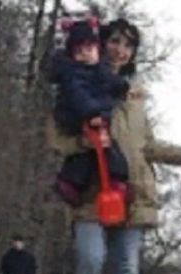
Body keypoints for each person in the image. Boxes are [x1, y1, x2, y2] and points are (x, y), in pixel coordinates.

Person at [49, 18, 181, 274]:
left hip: (132, 189)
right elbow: (56, 138)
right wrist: (84, 142)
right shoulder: (78, 80)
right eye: (115, 41)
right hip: (92, 186)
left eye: (128, 45)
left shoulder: (134, 93)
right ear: (100, 42)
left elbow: (148, 145)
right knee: (90, 260)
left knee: (126, 266)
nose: (120, 49)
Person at [50, 17, 131, 207]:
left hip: (94, 114)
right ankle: (108, 179)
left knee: (98, 149)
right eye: (79, 51)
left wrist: (123, 87)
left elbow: (111, 81)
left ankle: (106, 180)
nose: (86, 55)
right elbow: (78, 96)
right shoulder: (73, 74)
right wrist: (92, 113)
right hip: (77, 116)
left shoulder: (99, 69)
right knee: (100, 148)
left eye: (90, 49)